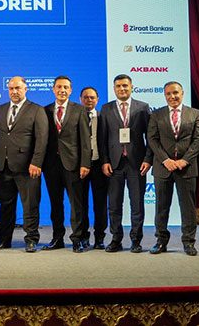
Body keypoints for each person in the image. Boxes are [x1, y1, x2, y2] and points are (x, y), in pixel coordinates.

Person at [0, 76, 48, 252]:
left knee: (30, 205)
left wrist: (36, 162)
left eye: (18, 88)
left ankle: (31, 239)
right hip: (3, 167)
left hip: (28, 168)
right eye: (11, 88)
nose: (14, 91)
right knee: (5, 205)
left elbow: (42, 139)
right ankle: (4, 240)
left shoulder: (37, 110)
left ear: (25, 89)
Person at [147, 81, 199, 256]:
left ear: (182, 93)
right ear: (165, 96)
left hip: (186, 168)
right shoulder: (156, 114)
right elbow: (152, 139)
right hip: (163, 168)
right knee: (161, 207)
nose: (172, 97)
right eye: (168, 94)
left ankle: (189, 242)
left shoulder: (194, 113)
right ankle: (161, 241)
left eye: (175, 93)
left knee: (188, 208)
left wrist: (184, 160)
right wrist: (165, 160)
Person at [99, 74, 153, 253]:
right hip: (114, 164)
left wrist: (148, 159)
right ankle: (116, 239)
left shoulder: (143, 107)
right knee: (114, 205)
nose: (122, 89)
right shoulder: (106, 108)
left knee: (137, 205)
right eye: (118, 86)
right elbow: (102, 138)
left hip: (136, 164)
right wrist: (105, 161)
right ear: (114, 88)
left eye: (125, 86)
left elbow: (150, 137)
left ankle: (136, 240)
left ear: (131, 87)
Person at [42, 76, 91, 252]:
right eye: (59, 87)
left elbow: (85, 140)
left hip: (74, 164)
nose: (62, 90)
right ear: (53, 89)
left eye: (65, 87)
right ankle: (57, 238)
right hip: (51, 165)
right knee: (56, 204)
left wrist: (85, 163)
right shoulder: (45, 110)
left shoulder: (80, 110)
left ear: (70, 90)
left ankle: (77, 238)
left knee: (76, 204)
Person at [79, 86, 109, 249]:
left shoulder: (103, 117)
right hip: (80, 166)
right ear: (80, 99)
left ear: (97, 100)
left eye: (92, 97)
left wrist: (106, 162)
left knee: (100, 204)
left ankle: (100, 238)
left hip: (99, 165)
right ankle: (83, 236)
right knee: (81, 204)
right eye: (85, 97)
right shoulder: (75, 117)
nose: (89, 100)